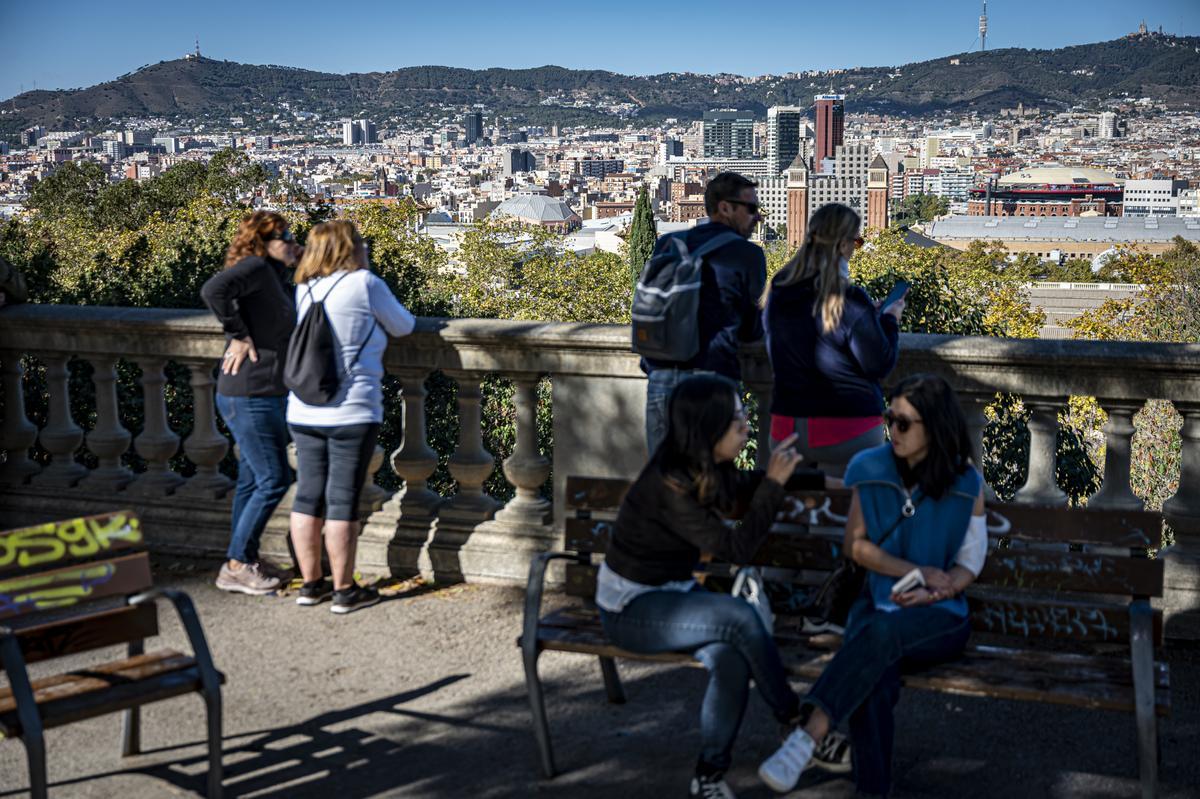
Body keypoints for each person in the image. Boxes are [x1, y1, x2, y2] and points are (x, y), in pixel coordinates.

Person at [597, 373, 834, 799]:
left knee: (731, 660)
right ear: (709, 429)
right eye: (737, 420)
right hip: (630, 609)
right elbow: (738, 548)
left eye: (745, 415)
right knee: (740, 617)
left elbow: (747, 486)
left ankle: (708, 775)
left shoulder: (706, 467)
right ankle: (796, 723)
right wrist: (776, 485)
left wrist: (819, 482)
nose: (746, 427)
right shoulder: (668, 486)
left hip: (676, 597)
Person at [757, 373, 987, 797]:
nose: (892, 431)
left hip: (941, 615)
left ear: (934, 427)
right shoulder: (870, 467)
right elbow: (855, 547)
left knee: (876, 639)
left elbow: (970, 561)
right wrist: (908, 572)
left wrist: (940, 588)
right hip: (878, 603)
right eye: (890, 419)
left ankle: (807, 736)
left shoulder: (965, 482)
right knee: (874, 679)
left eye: (904, 423)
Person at [286, 220, 415, 614]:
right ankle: (344, 590)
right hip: (352, 409)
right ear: (350, 247)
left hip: (303, 407)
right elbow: (404, 326)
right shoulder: (364, 284)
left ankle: (310, 584)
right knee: (342, 500)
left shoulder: (304, 287)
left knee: (307, 497)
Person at [201, 211, 302, 595]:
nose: (291, 239)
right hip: (249, 393)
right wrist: (237, 334)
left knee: (249, 481)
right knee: (275, 479)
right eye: (284, 235)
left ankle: (242, 556)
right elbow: (213, 290)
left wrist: (298, 252)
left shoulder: (271, 274)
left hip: (262, 391)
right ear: (263, 241)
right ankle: (237, 564)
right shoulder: (256, 268)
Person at [764, 203, 904, 477]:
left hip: (787, 428)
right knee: (842, 515)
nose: (855, 249)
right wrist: (889, 319)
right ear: (842, 245)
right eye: (856, 241)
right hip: (848, 428)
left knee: (793, 512)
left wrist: (865, 317)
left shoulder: (779, 289)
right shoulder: (850, 299)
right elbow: (879, 363)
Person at [641, 172, 767, 453]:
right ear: (725, 208)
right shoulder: (748, 255)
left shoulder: (668, 244)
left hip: (662, 377)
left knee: (663, 483)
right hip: (713, 383)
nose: (757, 217)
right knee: (709, 485)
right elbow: (750, 328)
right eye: (751, 208)